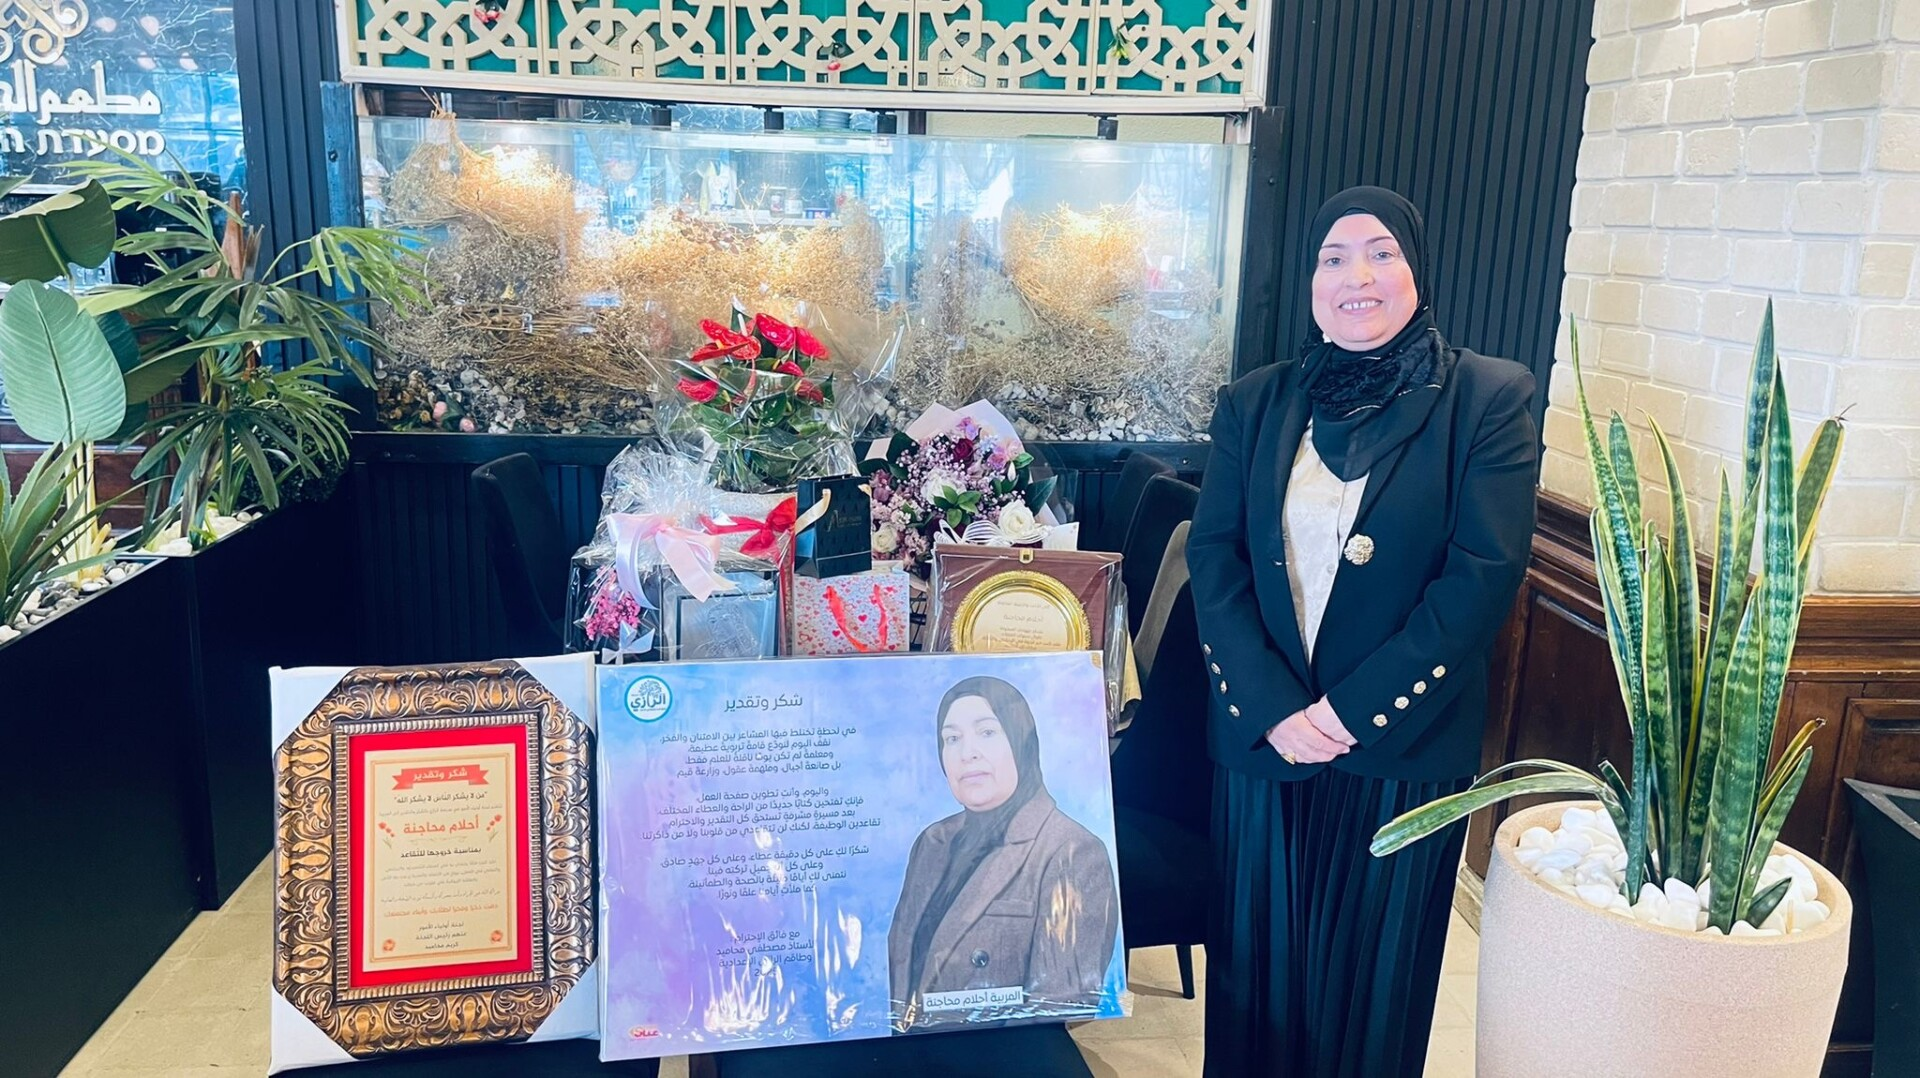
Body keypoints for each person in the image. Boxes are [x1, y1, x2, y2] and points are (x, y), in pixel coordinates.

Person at [1188, 186, 1540, 1076]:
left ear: (1416, 272)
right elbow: (1214, 557)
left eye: (1382, 253)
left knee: (1369, 1002)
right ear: (1311, 282)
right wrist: (1275, 708)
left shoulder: (1486, 399)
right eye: (1333, 258)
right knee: (1255, 986)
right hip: (1264, 740)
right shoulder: (1256, 402)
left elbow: (1480, 577)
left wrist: (1347, 714)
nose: (1358, 278)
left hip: (1399, 749)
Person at [888, 676, 1118, 1031]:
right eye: (952, 738)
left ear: (1021, 741)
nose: (967, 753)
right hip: (907, 1047)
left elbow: (1059, 1006)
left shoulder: (1072, 852)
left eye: (987, 732)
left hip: (997, 1051)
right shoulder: (932, 842)